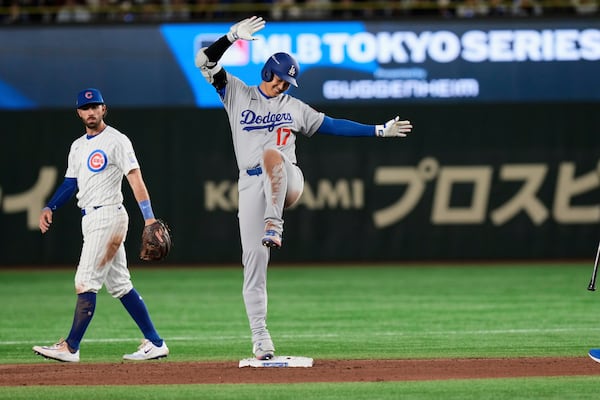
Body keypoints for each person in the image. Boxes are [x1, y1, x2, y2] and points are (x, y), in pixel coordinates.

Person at [194, 16, 413, 360]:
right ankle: (261, 338)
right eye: (281, 80)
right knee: (252, 261)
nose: (283, 87)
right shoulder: (237, 93)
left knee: (272, 154)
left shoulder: (293, 107)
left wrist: (377, 130)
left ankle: (274, 223)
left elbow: (333, 125)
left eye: (287, 83)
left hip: (289, 180)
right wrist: (231, 36)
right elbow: (204, 61)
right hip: (250, 183)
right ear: (268, 72)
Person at [32, 88, 169, 362]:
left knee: (85, 281)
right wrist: (50, 206)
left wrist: (149, 217)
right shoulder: (78, 146)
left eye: (96, 106)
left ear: (104, 109)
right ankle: (155, 343)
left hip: (108, 215)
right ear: (79, 113)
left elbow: (135, 179)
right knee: (120, 285)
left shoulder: (117, 140)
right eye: (86, 108)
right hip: (91, 217)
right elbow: (70, 183)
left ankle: (71, 346)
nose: (91, 111)